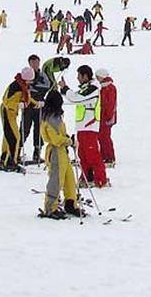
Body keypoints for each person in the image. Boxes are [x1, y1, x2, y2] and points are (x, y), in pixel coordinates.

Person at [38, 89, 82, 218]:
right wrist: (69, 141)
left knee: (69, 179)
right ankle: (51, 206)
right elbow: (56, 139)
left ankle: (71, 203)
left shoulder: (55, 116)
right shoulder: (50, 118)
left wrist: (68, 139)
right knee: (56, 180)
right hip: (56, 152)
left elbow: (60, 134)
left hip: (63, 152)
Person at [64, 64, 107, 187]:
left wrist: (65, 89)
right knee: (82, 154)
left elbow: (76, 98)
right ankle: (87, 177)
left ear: (85, 76)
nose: (77, 78)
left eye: (79, 76)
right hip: (82, 127)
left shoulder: (93, 89)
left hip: (90, 126)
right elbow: (72, 98)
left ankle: (100, 179)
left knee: (92, 154)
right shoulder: (86, 88)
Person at [0, 67, 32, 171]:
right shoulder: (15, 86)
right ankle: (11, 162)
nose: (31, 82)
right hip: (7, 112)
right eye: (30, 80)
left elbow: (27, 99)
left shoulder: (23, 85)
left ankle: (4, 157)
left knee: (8, 135)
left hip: (12, 113)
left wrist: (36, 103)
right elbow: (6, 102)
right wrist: (18, 105)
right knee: (15, 137)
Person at [22, 54, 54, 164]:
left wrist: (34, 86)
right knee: (24, 128)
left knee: (39, 130)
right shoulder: (26, 74)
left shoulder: (42, 75)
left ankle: (37, 152)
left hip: (39, 106)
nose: (35, 65)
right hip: (28, 106)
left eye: (37, 63)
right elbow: (24, 87)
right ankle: (17, 150)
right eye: (33, 63)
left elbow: (46, 86)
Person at [97, 68, 117, 166]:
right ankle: (104, 156)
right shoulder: (104, 87)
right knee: (101, 137)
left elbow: (110, 104)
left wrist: (108, 116)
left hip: (107, 117)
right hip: (102, 116)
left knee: (105, 137)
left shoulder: (109, 88)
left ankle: (109, 157)